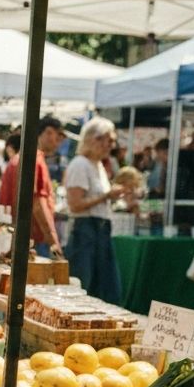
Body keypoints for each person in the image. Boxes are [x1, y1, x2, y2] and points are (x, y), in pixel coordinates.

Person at [63, 117, 130, 304]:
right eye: (109, 140)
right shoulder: (80, 164)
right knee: (84, 286)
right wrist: (106, 196)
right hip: (86, 230)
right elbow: (75, 204)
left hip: (100, 229)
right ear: (94, 139)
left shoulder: (98, 165)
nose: (112, 145)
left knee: (105, 288)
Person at [0, 118, 65, 258]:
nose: (59, 140)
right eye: (57, 135)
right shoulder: (33, 160)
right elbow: (37, 204)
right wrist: (53, 241)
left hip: (15, 236)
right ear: (47, 132)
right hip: (31, 240)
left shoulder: (20, 158)